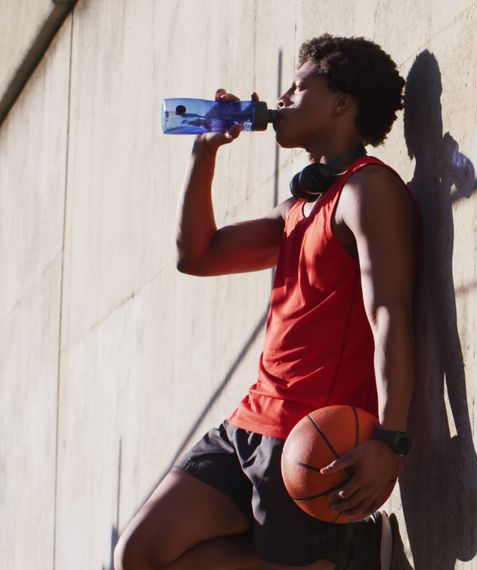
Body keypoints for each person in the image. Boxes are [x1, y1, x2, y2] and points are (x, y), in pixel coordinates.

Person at [114, 34, 417, 570]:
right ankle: (345, 553)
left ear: (341, 104)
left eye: (298, 88)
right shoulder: (298, 207)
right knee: (136, 555)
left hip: (309, 440)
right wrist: (204, 152)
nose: (280, 100)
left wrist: (389, 442)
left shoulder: (367, 191)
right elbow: (198, 255)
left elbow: (389, 314)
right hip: (247, 425)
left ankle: (350, 554)